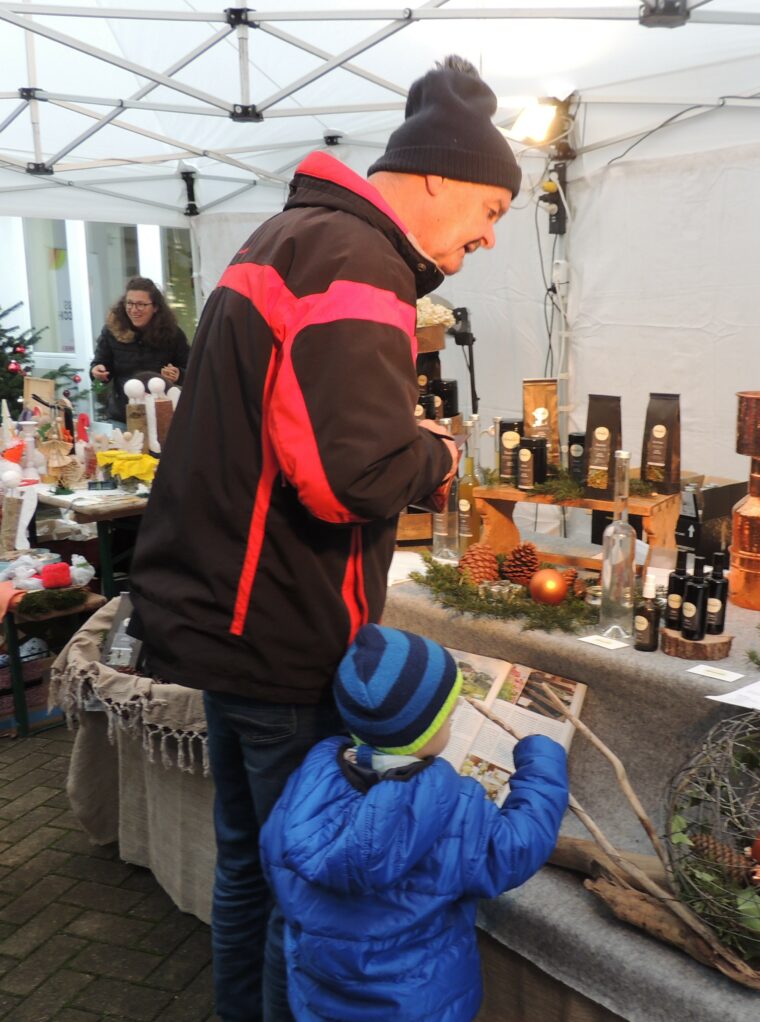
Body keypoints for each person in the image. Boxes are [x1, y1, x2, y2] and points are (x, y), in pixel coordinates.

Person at [127, 55, 521, 1022]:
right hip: (282, 631)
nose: (489, 235)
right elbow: (350, 478)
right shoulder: (361, 264)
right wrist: (438, 454)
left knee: (250, 866)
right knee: (300, 884)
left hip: (226, 616)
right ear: (436, 175)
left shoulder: (289, 235)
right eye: (492, 209)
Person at [260, 625, 570, 1022]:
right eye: (449, 716)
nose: (453, 722)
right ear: (423, 734)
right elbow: (516, 847)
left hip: (321, 995)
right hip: (420, 1005)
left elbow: (274, 858)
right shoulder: (452, 807)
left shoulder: (308, 781)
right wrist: (543, 763)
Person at [89, 276, 190, 424]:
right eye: (129, 303)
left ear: (155, 307)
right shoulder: (112, 331)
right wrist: (97, 372)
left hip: (161, 417)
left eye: (141, 304)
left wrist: (178, 375)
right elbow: (100, 365)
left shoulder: (172, 334)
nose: (134, 310)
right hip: (122, 416)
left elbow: (193, 370)